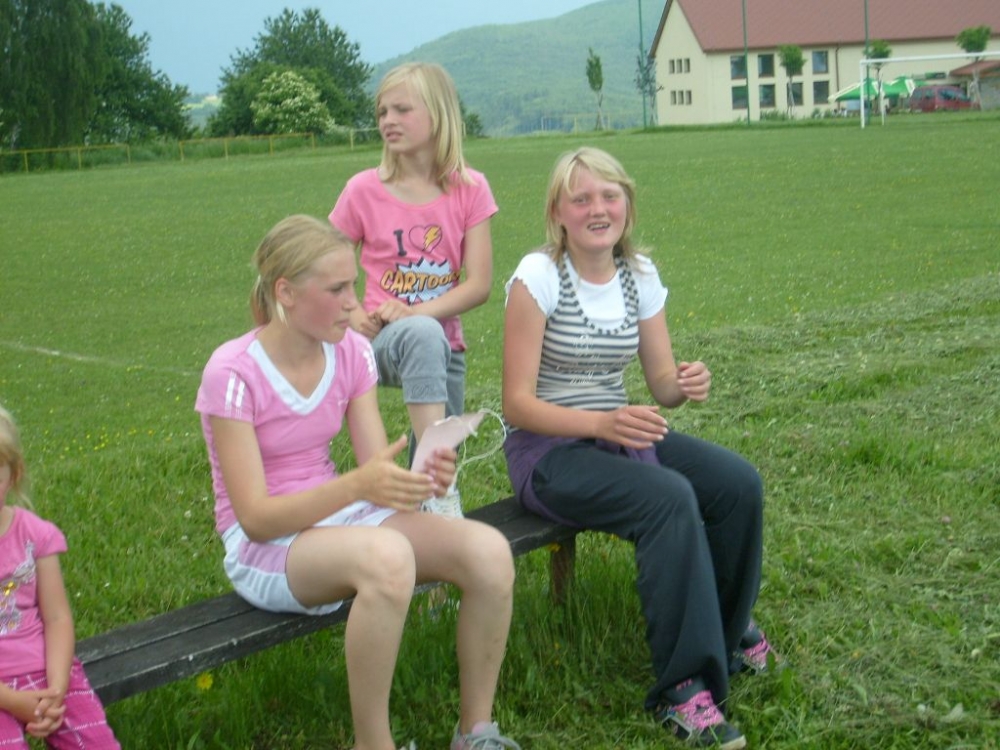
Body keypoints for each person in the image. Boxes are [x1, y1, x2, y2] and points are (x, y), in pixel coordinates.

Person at [194, 215, 520, 750]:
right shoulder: (232, 372)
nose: (354, 303)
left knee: (488, 552)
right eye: (337, 289)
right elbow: (254, 518)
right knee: (387, 559)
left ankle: (476, 732)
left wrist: (421, 478)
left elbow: (376, 472)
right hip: (267, 546)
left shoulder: (350, 351)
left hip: (343, 519)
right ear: (286, 293)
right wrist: (358, 487)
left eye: (353, 285)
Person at [501, 148, 778, 749]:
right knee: (667, 498)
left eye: (610, 195)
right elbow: (516, 405)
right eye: (581, 199)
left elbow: (661, 386)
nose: (597, 209)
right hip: (547, 452)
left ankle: (727, 632)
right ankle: (683, 690)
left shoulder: (640, 275)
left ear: (627, 203)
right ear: (558, 212)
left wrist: (686, 383)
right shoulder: (538, 276)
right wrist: (600, 422)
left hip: (618, 432)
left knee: (737, 484)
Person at [329, 61, 497, 517]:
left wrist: (417, 312)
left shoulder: (470, 189)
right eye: (382, 112)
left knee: (439, 449)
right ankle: (440, 498)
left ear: (438, 115)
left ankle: (425, 528)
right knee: (440, 469)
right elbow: (322, 264)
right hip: (377, 340)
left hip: (444, 344)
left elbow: (479, 285)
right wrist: (351, 314)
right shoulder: (363, 190)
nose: (388, 120)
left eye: (402, 109)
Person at [0, 405, 121, 749]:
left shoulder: (36, 535)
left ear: (14, 475)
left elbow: (57, 618)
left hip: (44, 668)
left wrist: (56, 689)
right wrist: (13, 700)